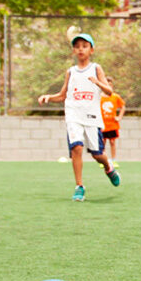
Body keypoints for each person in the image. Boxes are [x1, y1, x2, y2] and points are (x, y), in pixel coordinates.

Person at [37, 28, 120, 201]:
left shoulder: (96, 69)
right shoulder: (71, 72)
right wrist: (49, 97)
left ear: (91, 50)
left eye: (84, 46)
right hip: (73, 116)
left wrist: (97, 82)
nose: (81, 49)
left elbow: (109, 91)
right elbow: (62, 95)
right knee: (76, 148)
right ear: (74, 51)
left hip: (91, 117)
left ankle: (108, 167)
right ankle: (79, 186)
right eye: (77, 46)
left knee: (97, 154)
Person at [100, 78, 126, 168]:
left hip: (112, 125)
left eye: (110, 85)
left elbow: (123, 107)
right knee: (103, 142)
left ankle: (114, 159)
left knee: (112, 142)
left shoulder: (115, 97)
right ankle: (103, 160)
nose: (108, 86)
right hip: (102, 125)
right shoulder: (99, 97)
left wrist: (119, 117)